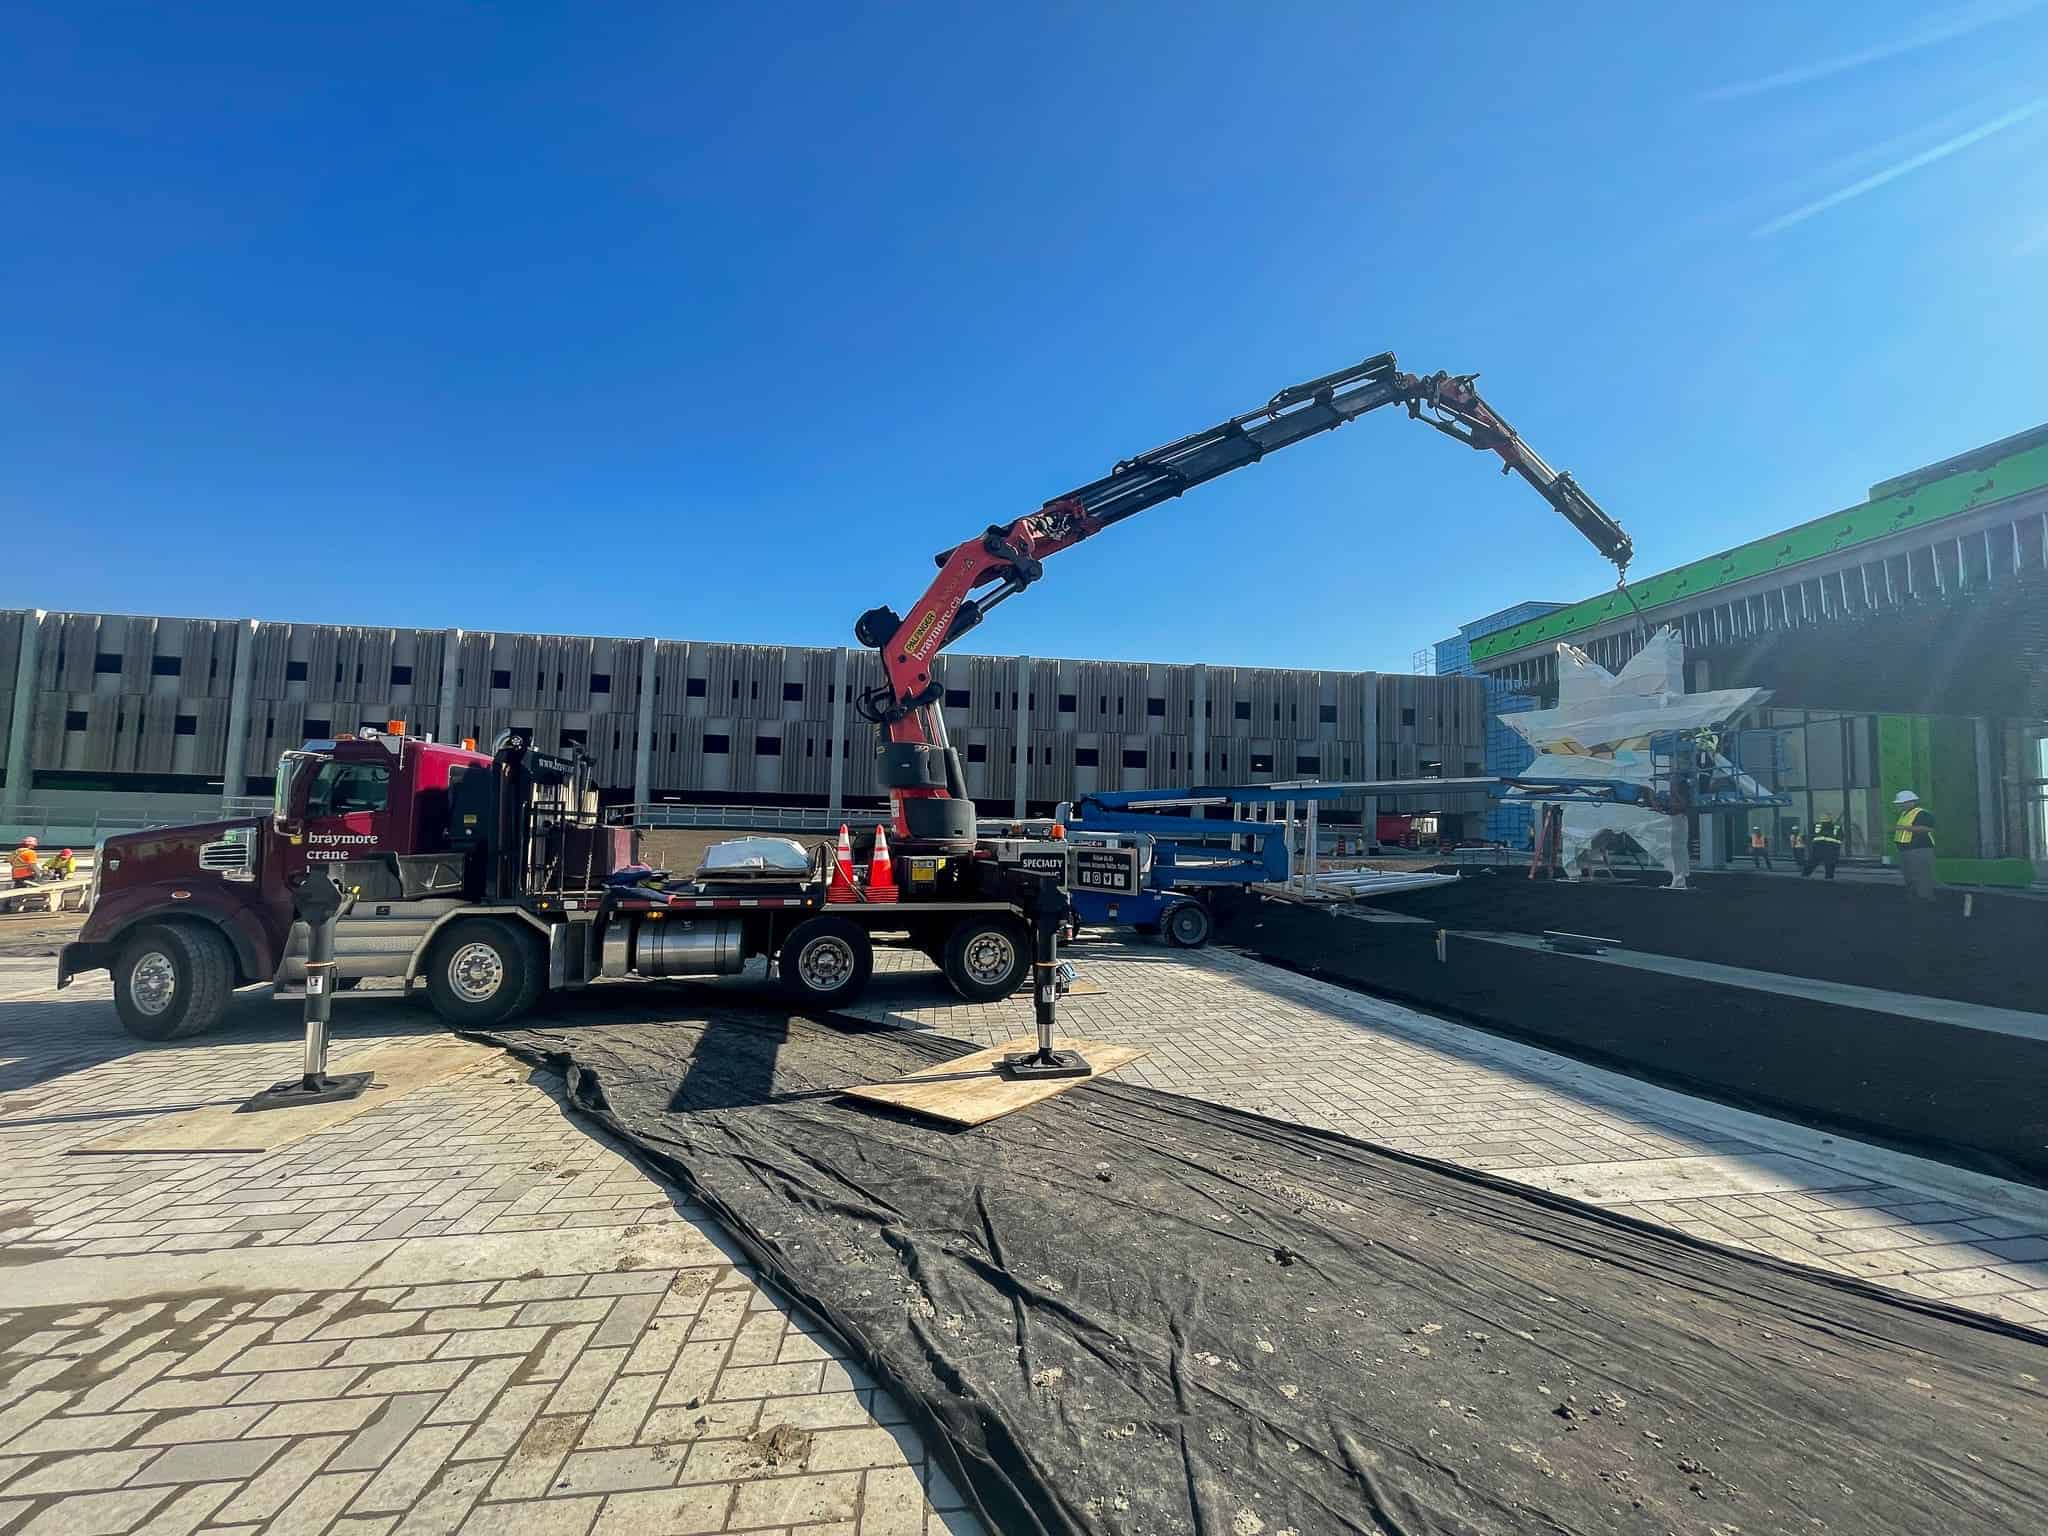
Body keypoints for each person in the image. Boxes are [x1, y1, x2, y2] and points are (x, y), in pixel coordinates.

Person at [1892, 789, 1938, 902]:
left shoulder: (1921, 813)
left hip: (1919, 850)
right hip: (1906, 851)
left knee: (1922, 877)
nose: (1900, 805)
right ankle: (1915, 899)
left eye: (1901, 803)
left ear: (1910, 802)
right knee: (1910, 878)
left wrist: (1905, 828)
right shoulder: (1904, 814)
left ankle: (1926, 900)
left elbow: (1927, 828)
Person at [1805, 813, 1842, 880]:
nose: (1825, 819)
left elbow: (1811, 836)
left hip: (1820, 848)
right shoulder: (1837, 827)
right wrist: (1836, 849)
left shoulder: (1816, 825)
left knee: (1813, 863)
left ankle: (1804, 877)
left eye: (1825, 817)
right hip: (1828, 849)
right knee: (1829, 865)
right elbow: (1840, 839)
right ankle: (1829, 880)